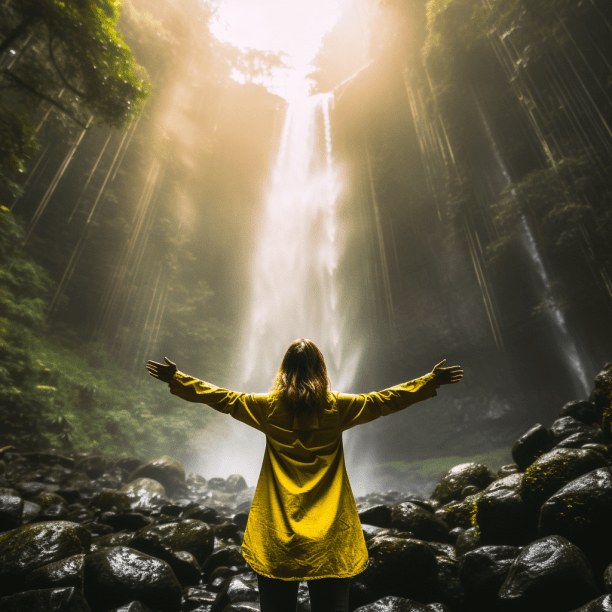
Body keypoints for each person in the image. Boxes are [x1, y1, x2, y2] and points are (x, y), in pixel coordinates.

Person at [146, 339, 463, 612]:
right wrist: (429, 381)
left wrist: (178, 378)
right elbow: (384, 400)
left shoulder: (267, 408)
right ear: (320, 368)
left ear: (284, 369)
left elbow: (222, 398)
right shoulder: (338, 407)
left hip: (277, 537)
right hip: (329, 537)